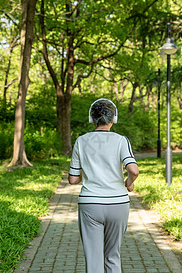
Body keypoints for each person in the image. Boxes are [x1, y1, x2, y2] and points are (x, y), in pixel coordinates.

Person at [68, 98, 139, 273]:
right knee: (113, 256)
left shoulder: (81, 141)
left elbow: (73, 179)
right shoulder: (121, 140)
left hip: (90, 204)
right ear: (114, 119)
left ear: (91, 119)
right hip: (118, 204)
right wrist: (129, 184)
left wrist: (91, 171)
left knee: (93, 259)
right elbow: (134, 170)